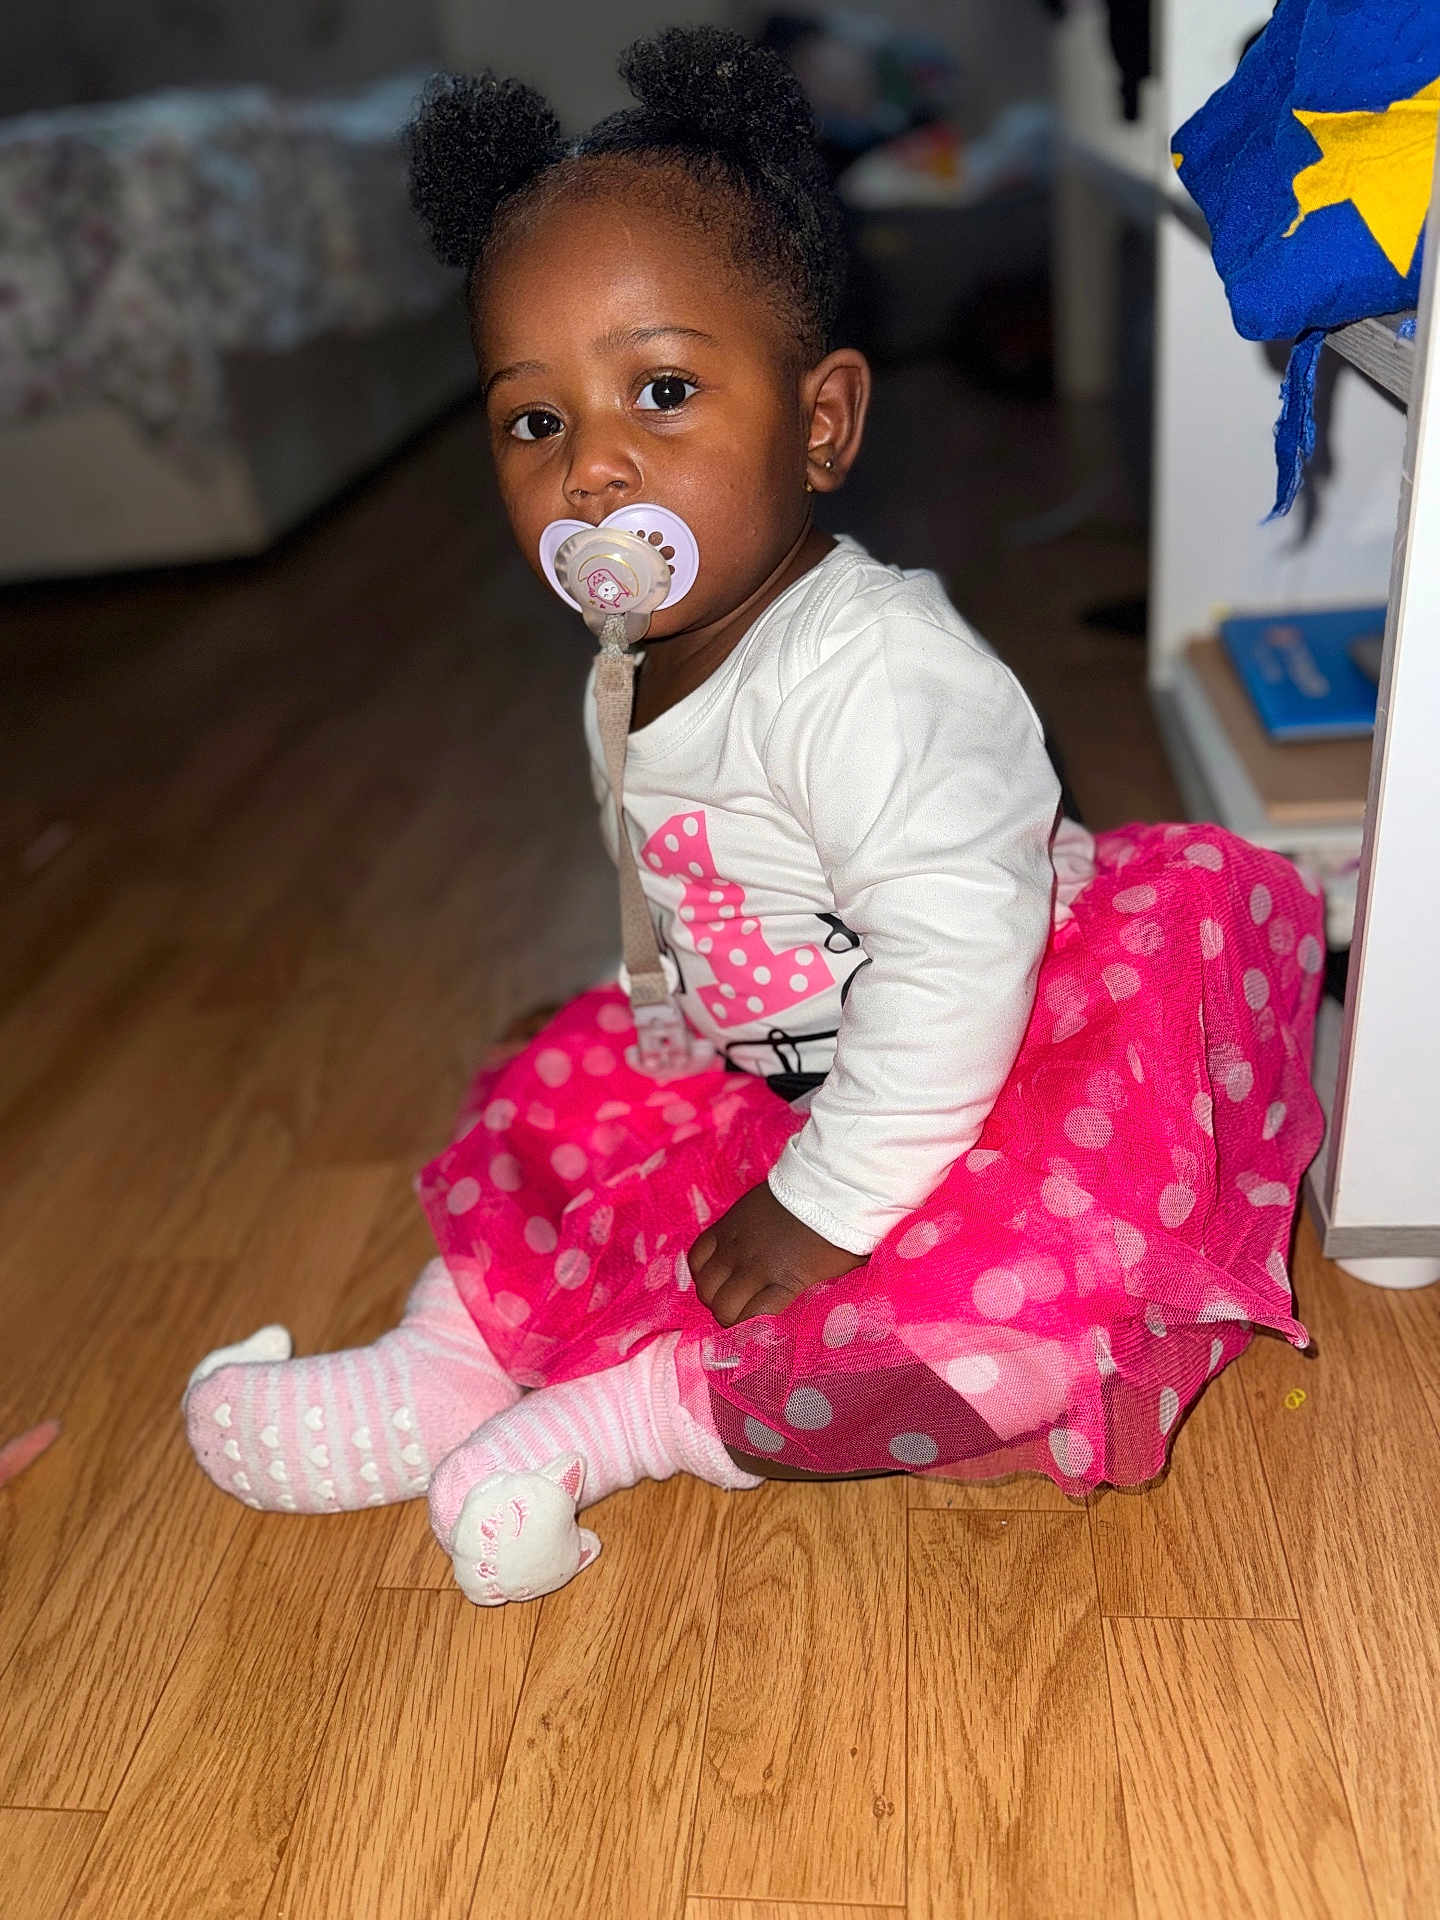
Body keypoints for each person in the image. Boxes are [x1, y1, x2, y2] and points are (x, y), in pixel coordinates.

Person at [183, 27, 1325, 1604]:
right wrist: (656, 997)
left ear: (822, 422)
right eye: (535, 421)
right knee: (551, 1096)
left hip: (978, 1051)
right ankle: (439, 1363)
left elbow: (953, 959)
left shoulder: (876, 677)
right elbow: (686, 867)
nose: (593, 470)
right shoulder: (631, 657)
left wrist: (828, 1204)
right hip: (766, 1051)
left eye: (659, 391)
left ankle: (637, 1419)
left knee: (1002, 1321)